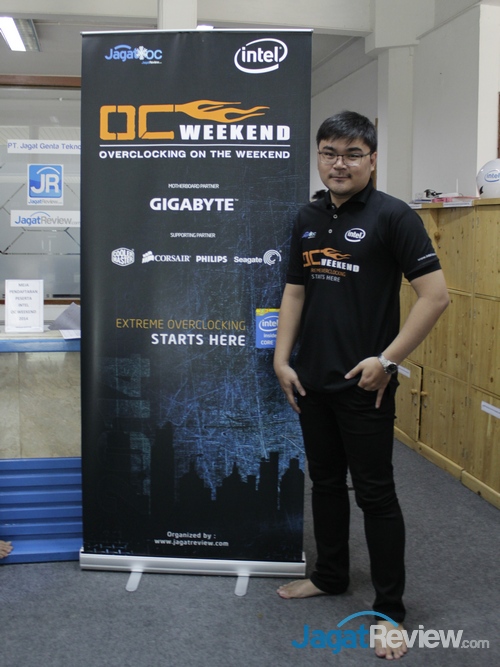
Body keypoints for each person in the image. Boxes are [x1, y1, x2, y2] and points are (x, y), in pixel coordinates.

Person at [273, 110, 449, 660]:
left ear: (372, 159)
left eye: (352, 154)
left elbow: (436, 296)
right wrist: (281, 359)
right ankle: (330, 576)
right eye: (329, 153)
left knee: (375, 494)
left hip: (364, 383)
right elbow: (295, 292)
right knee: (325, 484)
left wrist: (388, 361)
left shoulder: (394, 216)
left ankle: (390, 612)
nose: (339, 164)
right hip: (311, 379)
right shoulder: (307, 216)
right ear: (319, 157)